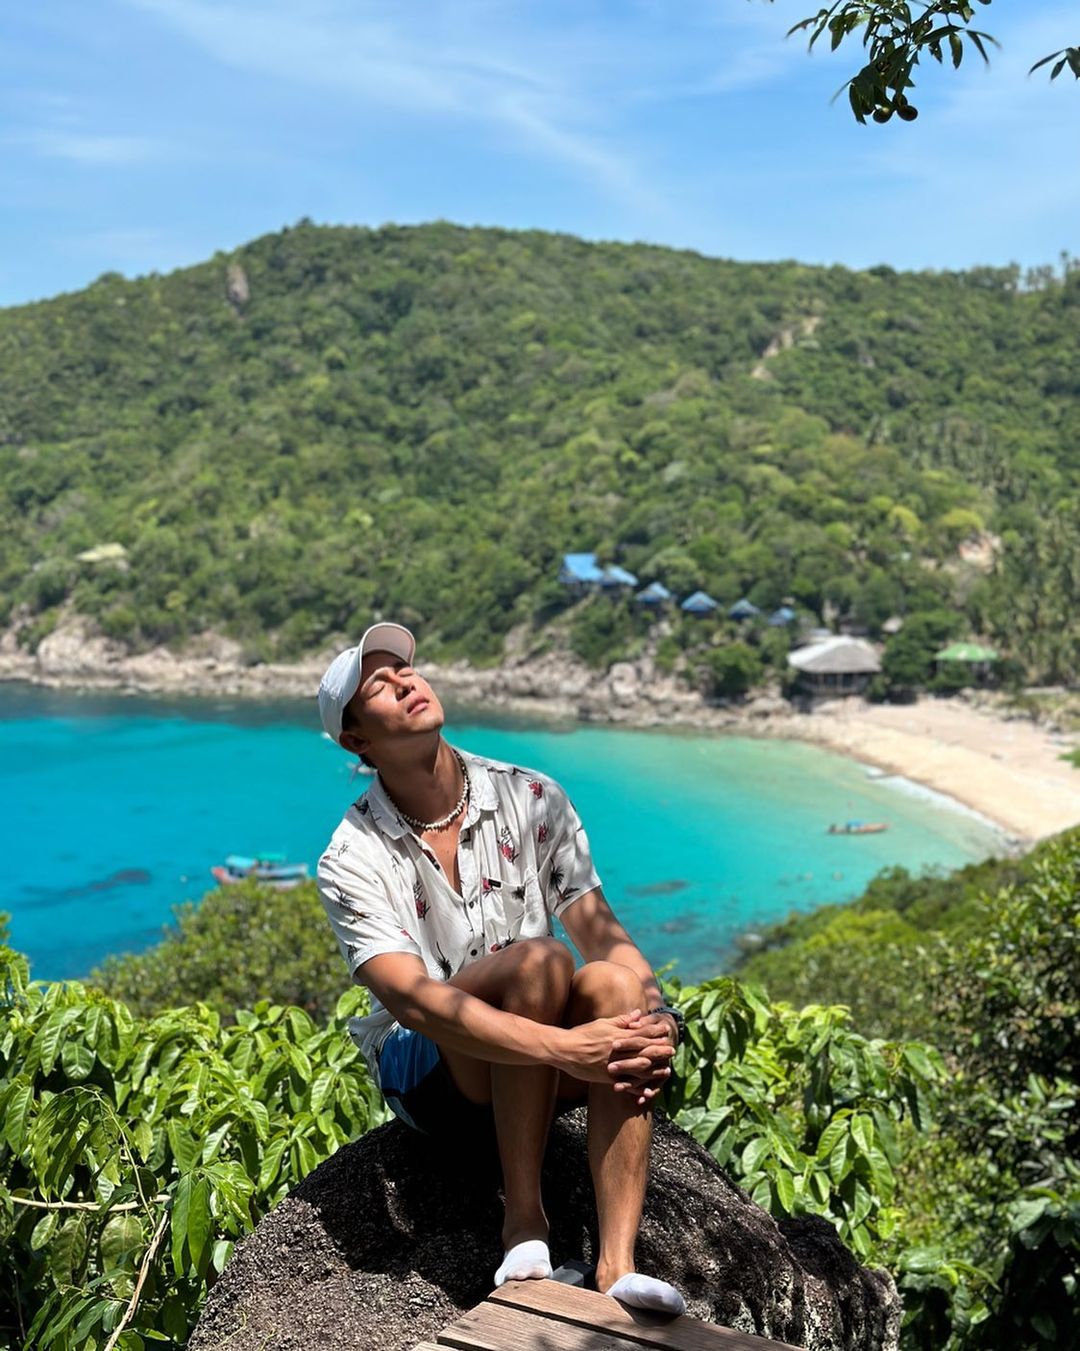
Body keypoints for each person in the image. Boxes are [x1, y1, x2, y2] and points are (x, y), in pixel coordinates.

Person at [316, 622, 687, 1315]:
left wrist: (659, 1017)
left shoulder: (531, 796)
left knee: (616, 985)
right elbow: (413, 1002)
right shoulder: (351, 855)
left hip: (535, 1059)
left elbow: (602, 933)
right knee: (539, 960)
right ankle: (524, 1221)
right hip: (429, 1073)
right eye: (380, 685)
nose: (405, 682)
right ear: (357, 740)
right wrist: (566, 1049)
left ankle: (617, 1265)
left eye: (407, 669)